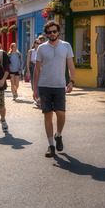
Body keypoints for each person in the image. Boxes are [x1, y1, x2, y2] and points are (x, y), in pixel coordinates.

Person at [33, 21, 76, 158]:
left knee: (61, 113)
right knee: (47, 115)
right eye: (49, 32)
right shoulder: (41, 48)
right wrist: (35, 89)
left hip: (59, 85)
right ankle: (51, 145)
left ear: (58, 32)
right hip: (44, 86)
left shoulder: (66, 46)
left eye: (54, 31)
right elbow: (37, 69)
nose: (52, 34)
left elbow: (70, 64)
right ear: (46, 34)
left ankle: (59, 135)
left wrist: (72, 81)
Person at [28, 38, 43, 106]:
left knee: (40, 82)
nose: (38, 45)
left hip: (41, 67)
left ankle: (39, 98)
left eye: (40, 43)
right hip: (33, 67)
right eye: (37, 43)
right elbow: (28, 62)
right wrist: (28, 70)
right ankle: (36, 97)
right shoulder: (31, 51)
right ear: (34, 44)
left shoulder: (42, 51)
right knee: (33, 83)